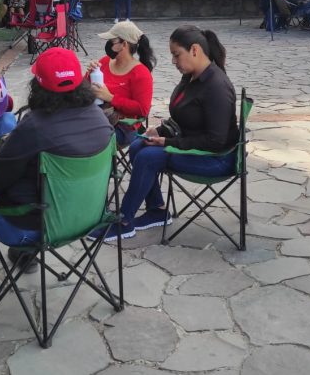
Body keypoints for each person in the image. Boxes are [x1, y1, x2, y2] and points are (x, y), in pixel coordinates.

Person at [0, 47, 113, 294]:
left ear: (38, 85)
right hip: (88, 219)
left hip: (33, 229)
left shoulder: (34, 126)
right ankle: (24, 256)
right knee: (30, 191)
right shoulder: (101, 120)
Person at [100, 26, 238, 241]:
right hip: (196, 148)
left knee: (147, 157)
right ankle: (157, 209)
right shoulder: (192, 77)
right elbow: (186, 117)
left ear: (194, 50)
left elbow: (216, 140)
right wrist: (161, 130)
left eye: (176, 55)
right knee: (138, 144)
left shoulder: (216, 86)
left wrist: (169, 141)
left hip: (216, 158)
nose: (173, 61)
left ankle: (124, 221)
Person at [87, 21, 155, 147]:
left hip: (123, 127)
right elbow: (83, 88)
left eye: (112, 42)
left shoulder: (141, 73)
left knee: (88, 139)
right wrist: (90, 74)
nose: (108, 45)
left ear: (124, 44)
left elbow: (142, 109)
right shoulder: (105, 62)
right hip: (96, 119)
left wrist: (111, 98)